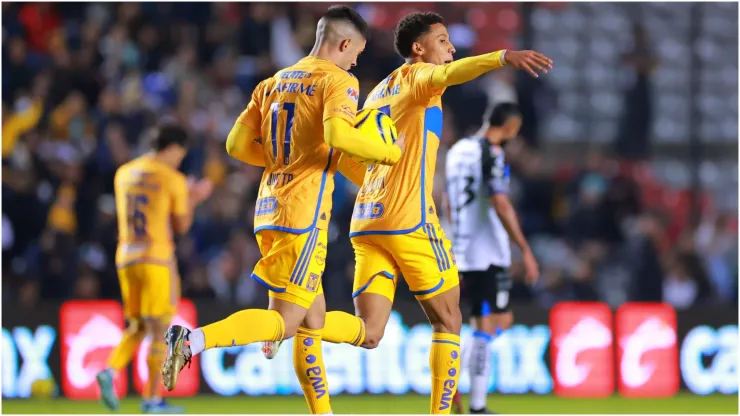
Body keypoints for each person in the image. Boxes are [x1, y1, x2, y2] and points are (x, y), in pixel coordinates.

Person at [263, 12, 551, 415]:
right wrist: (502, 56)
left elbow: (346, 155)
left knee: (369, 332)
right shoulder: (418, 79)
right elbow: (452, 74)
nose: (450, 49)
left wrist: (374, 180)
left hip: (366, 221)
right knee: (449, 320)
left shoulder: (377, 92)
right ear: (419, 48)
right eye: (443, 40)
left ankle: (288, 324)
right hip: (409, 219)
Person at [159, 6, 403, 415]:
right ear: (344, 44)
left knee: (313, 322)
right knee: (288, 323)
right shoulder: (338, 80)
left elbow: (235, 146)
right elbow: (337, 133)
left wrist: (283, 160)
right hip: (304, 214)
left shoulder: (272, 82)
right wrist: (387, 153)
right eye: (356, 52)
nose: (356, 61)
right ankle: (191, 341)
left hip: (269, 208)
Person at [96, 124, 213, 413]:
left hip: (126, 257)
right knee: (160, 328)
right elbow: (181, 225)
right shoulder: (171, 177)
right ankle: (151, 400)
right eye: (180, 155)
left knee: (137, 325)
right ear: (173, 148)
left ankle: (110, 370)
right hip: (156, 258)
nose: (179, 160)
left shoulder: (123, 173)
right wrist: (193, 198)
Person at [443, 103, 539, 414]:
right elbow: (500, 202)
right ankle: (476, 404)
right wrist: (524, 249)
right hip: (487, 253)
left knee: (498, 320)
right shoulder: (493, 153)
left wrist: (458, 234)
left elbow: (447, 199)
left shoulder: (458, 150)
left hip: (462, 248)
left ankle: (452, 375)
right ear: (511, 126)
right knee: (487, 324)